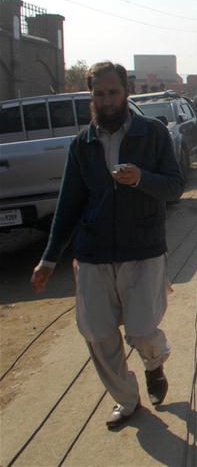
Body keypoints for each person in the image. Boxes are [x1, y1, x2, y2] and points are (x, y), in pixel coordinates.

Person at [30, 61, 185, 430]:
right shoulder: (81, 145)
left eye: (113, 92)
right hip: (94, 253)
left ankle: (153, 362)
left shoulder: (153, 134)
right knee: (98, 335)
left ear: (126, 92)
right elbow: (68, 204)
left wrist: (141, 178)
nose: (107, 100)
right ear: (91, 96)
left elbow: (175, 186)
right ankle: (126, 399)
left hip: (143, 249)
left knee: (142, 330)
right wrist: (49, 259)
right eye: (99, 94)